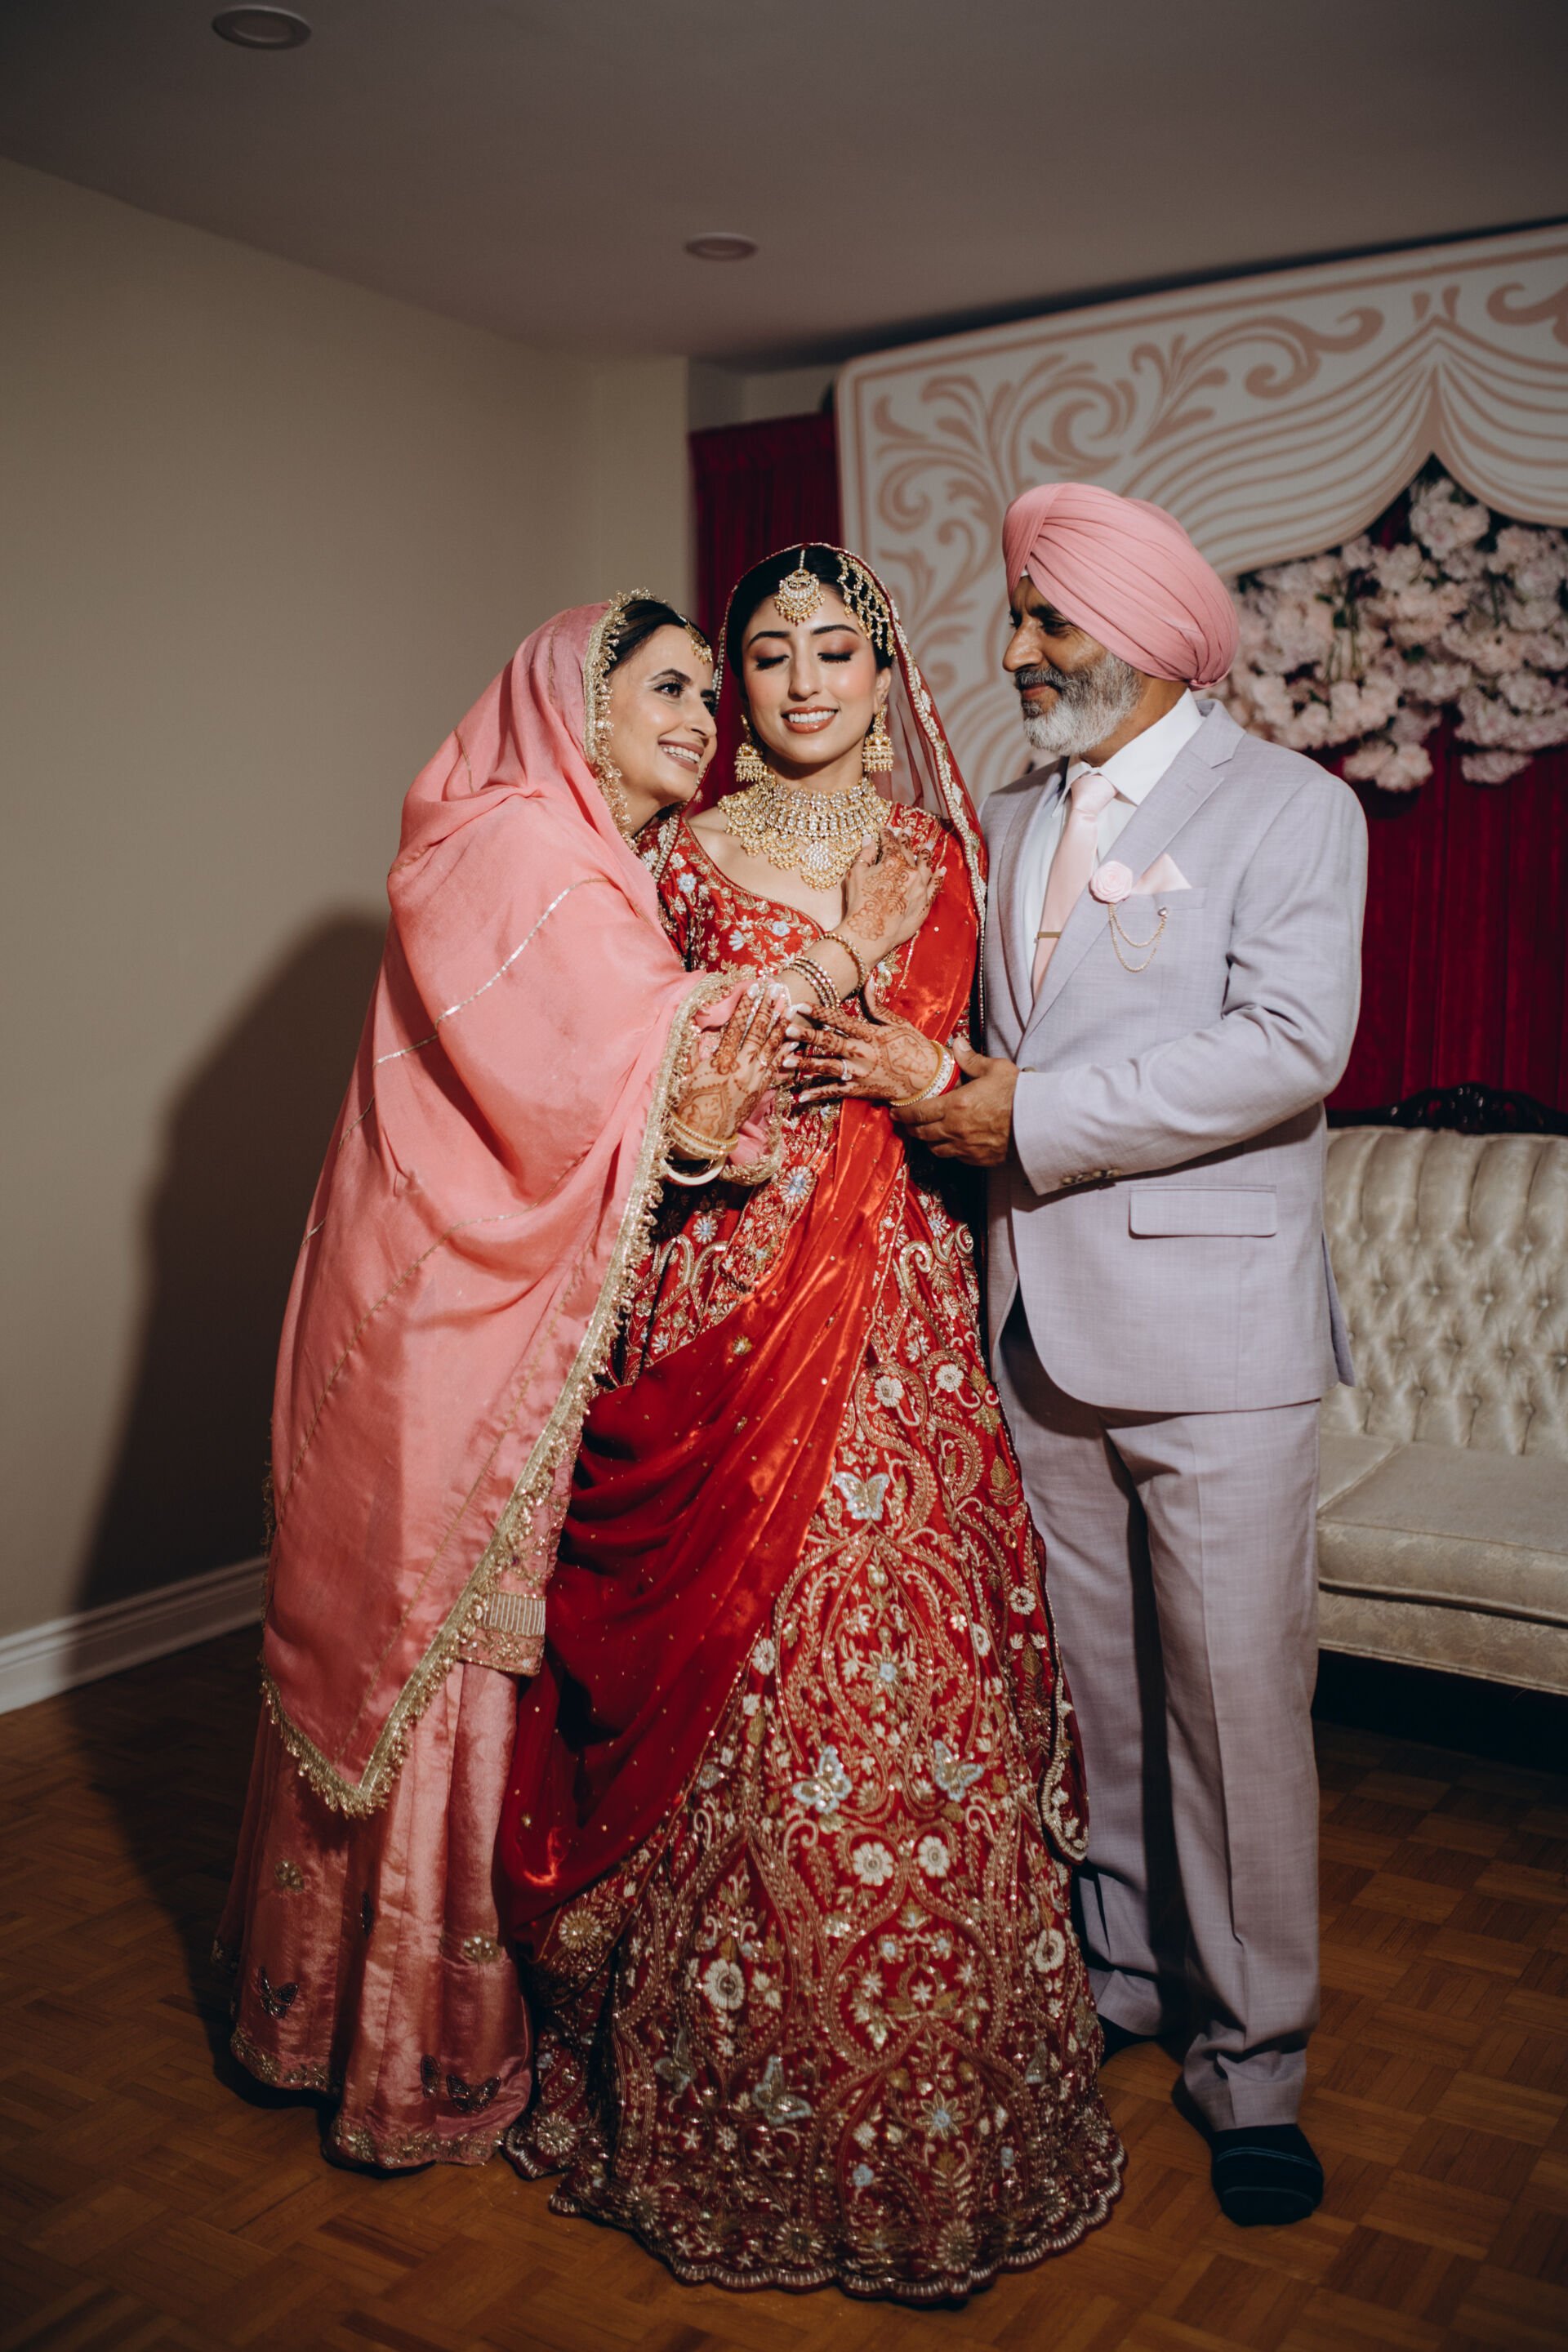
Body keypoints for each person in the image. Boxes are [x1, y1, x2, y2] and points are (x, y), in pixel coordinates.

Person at [216, 591, 936, 2167]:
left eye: (706, 694)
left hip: (506, 1307)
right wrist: (848, 955)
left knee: (461, 1653)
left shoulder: (599, 860)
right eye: (668, 689)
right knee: (438, 1646)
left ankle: (354, 2016)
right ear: (575, 708)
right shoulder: (524, 854)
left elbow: (643, 1090)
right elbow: (662, 1061)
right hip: (454, 1324)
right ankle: (404, 2052)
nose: (702, 718)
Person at [496, 546, 1123, 2300]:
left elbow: (972, 1076)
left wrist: (904, 1056)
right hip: (724, 1303)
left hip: (897, 1300)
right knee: (740, 1658)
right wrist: (777, 1021)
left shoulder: (946, 850)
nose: (800, 682)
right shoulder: (673, 860)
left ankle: (941, 2110)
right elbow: (637, 1085)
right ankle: (725, 2108)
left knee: (907, 1654)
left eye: (833, 650)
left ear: (882, 669)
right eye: (766, 655)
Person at [897, 483, 1368, 2228]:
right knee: (1093, 1703)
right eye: (1020, 617)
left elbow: (1290, 1045)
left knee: (1235, 1717)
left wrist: (1034, 1115)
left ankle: (1256, 2067)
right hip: (1039, 1323)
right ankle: (1129, 1982)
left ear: (1154, 635)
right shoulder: (1015, 814)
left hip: (1218, 1343)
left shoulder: (1292, 808)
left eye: (1051, 622)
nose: (1018, 650)